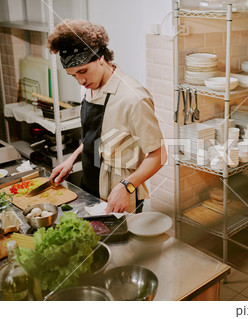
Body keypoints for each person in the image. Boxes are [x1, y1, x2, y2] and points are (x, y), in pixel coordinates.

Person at [47, 19, 167, 214]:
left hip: (119, 194)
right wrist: (72, 159)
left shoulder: (133, 98)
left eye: (83, 71)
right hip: (89, 185)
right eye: (73, 75)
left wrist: (127, 186)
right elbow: (97, 137)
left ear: (101, 58)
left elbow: (159, 155)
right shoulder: (89, 88)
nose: (80, 81)